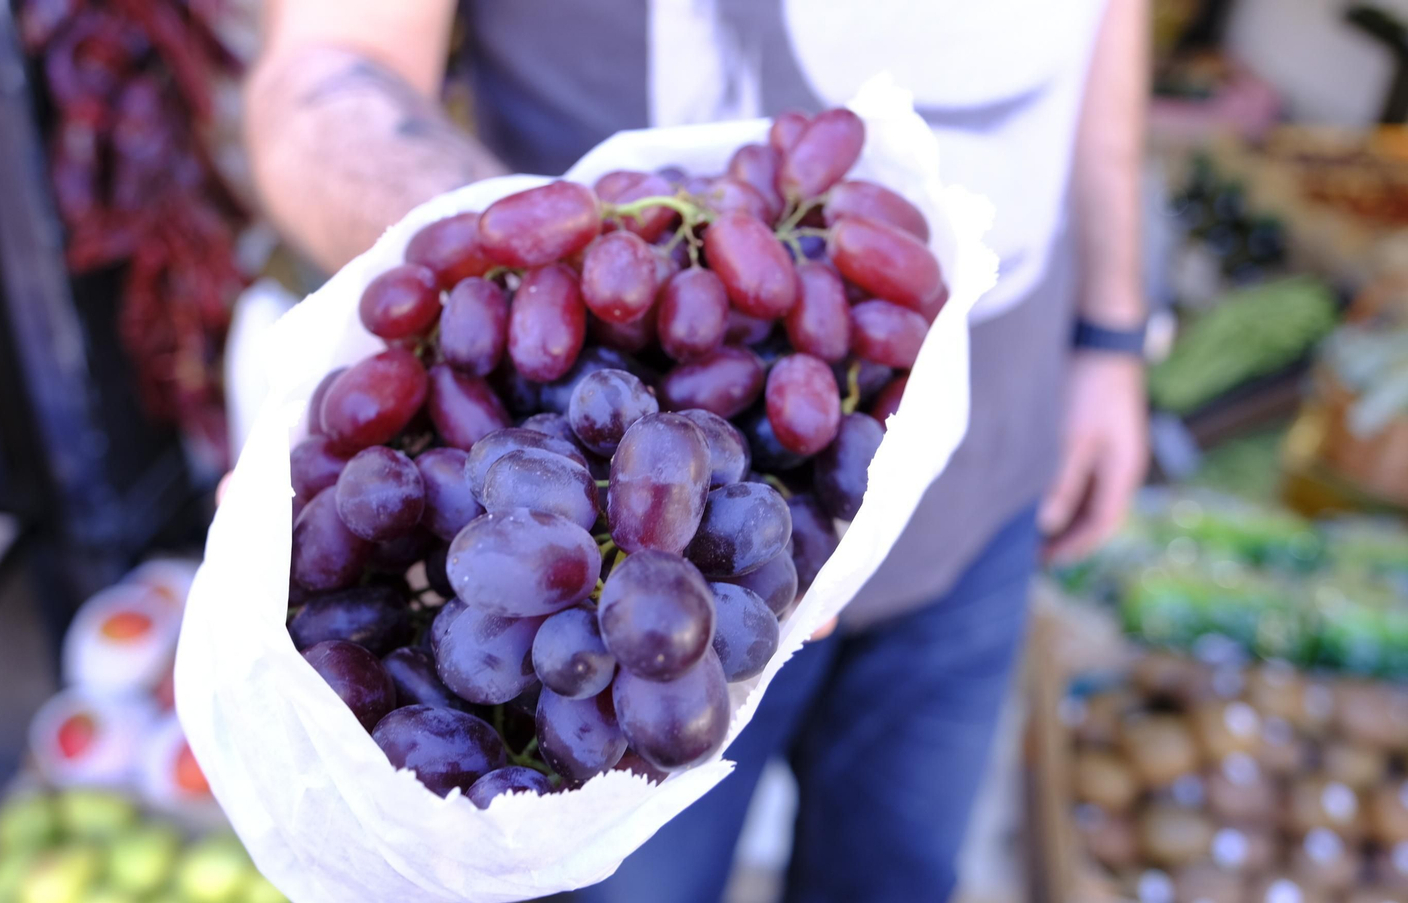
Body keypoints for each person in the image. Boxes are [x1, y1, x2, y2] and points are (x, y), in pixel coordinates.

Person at [244, 1, 1150, 900]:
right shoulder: (593, 495)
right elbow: (332, 58)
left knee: (899, 877)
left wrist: (1111, 330)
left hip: (988, 494)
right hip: (647, 518)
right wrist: (508, 260)